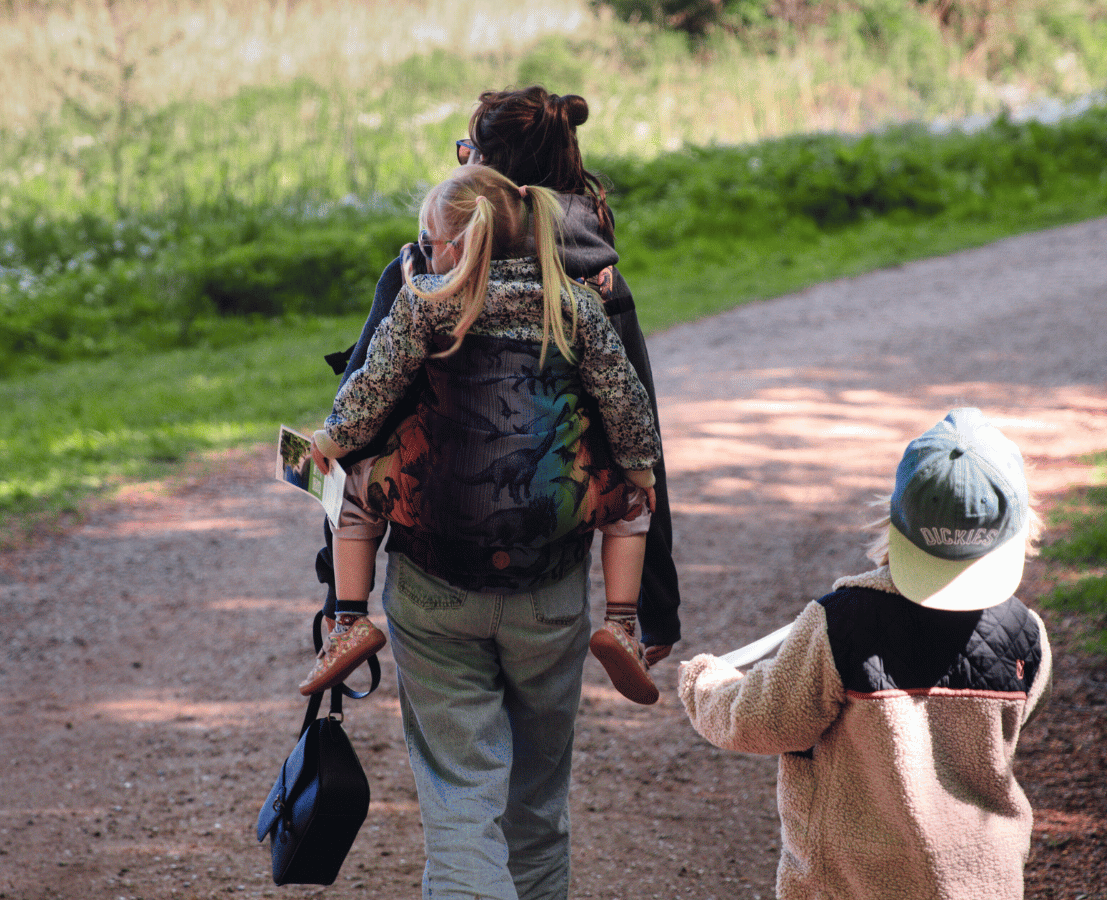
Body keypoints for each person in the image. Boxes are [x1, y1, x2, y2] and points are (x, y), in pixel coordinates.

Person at [307, 163, 661, 899]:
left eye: (427, 240)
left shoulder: (424, 305)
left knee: (462, 798)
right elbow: (630, 408)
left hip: (436, 582)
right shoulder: (573, 307)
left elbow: (367, 397)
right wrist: (636, 471)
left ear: (451, 246)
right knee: (535, 806)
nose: (423, 253)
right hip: (549, 585)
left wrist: (331, 442)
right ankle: (624, 625)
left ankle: (347, 619)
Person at [306, 86, 681, 690]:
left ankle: (354, 623)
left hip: (434, 569)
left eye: (468, 152)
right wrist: (658, 604)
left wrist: (337, 594)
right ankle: (623, 623)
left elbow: (359, 415)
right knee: (538, 774)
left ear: (486, 173)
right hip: (552, 563)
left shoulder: (422, 274)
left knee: (457, 768)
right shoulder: (597, 283)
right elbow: (640, 429)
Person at [676, 407, 1053, 900]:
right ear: (1020, 529)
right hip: (982, 883)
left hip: (850, 884)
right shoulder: (1027, 633)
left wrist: (705, 684)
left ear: (895, 523)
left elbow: (763, 719)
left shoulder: (842, 622)